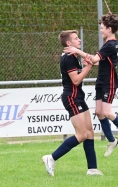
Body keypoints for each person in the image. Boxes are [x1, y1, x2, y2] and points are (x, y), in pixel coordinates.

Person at [63, 13, 118, 157]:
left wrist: (77, 51)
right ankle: (112, 141)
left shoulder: (111, 45)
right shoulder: (107, 45)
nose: (101, 30)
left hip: (109, 82)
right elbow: (97, 61)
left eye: (102, 28)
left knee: (107, 112)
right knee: (99, 112)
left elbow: (95, 58)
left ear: (109, 29)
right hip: (101, 81)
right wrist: (89, 62)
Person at [42, 30, 103, 176]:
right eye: (76, 39)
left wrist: (88, 63)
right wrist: (88, 66)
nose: (79, 40)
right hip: (72, 98)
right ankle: (51, 158)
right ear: (69, 43)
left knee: (89, 132)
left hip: (79, 97)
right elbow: (75, 81)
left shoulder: (73, 56)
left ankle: (92, 169)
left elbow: (94, 61)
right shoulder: (68, 58)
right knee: (81, 134)